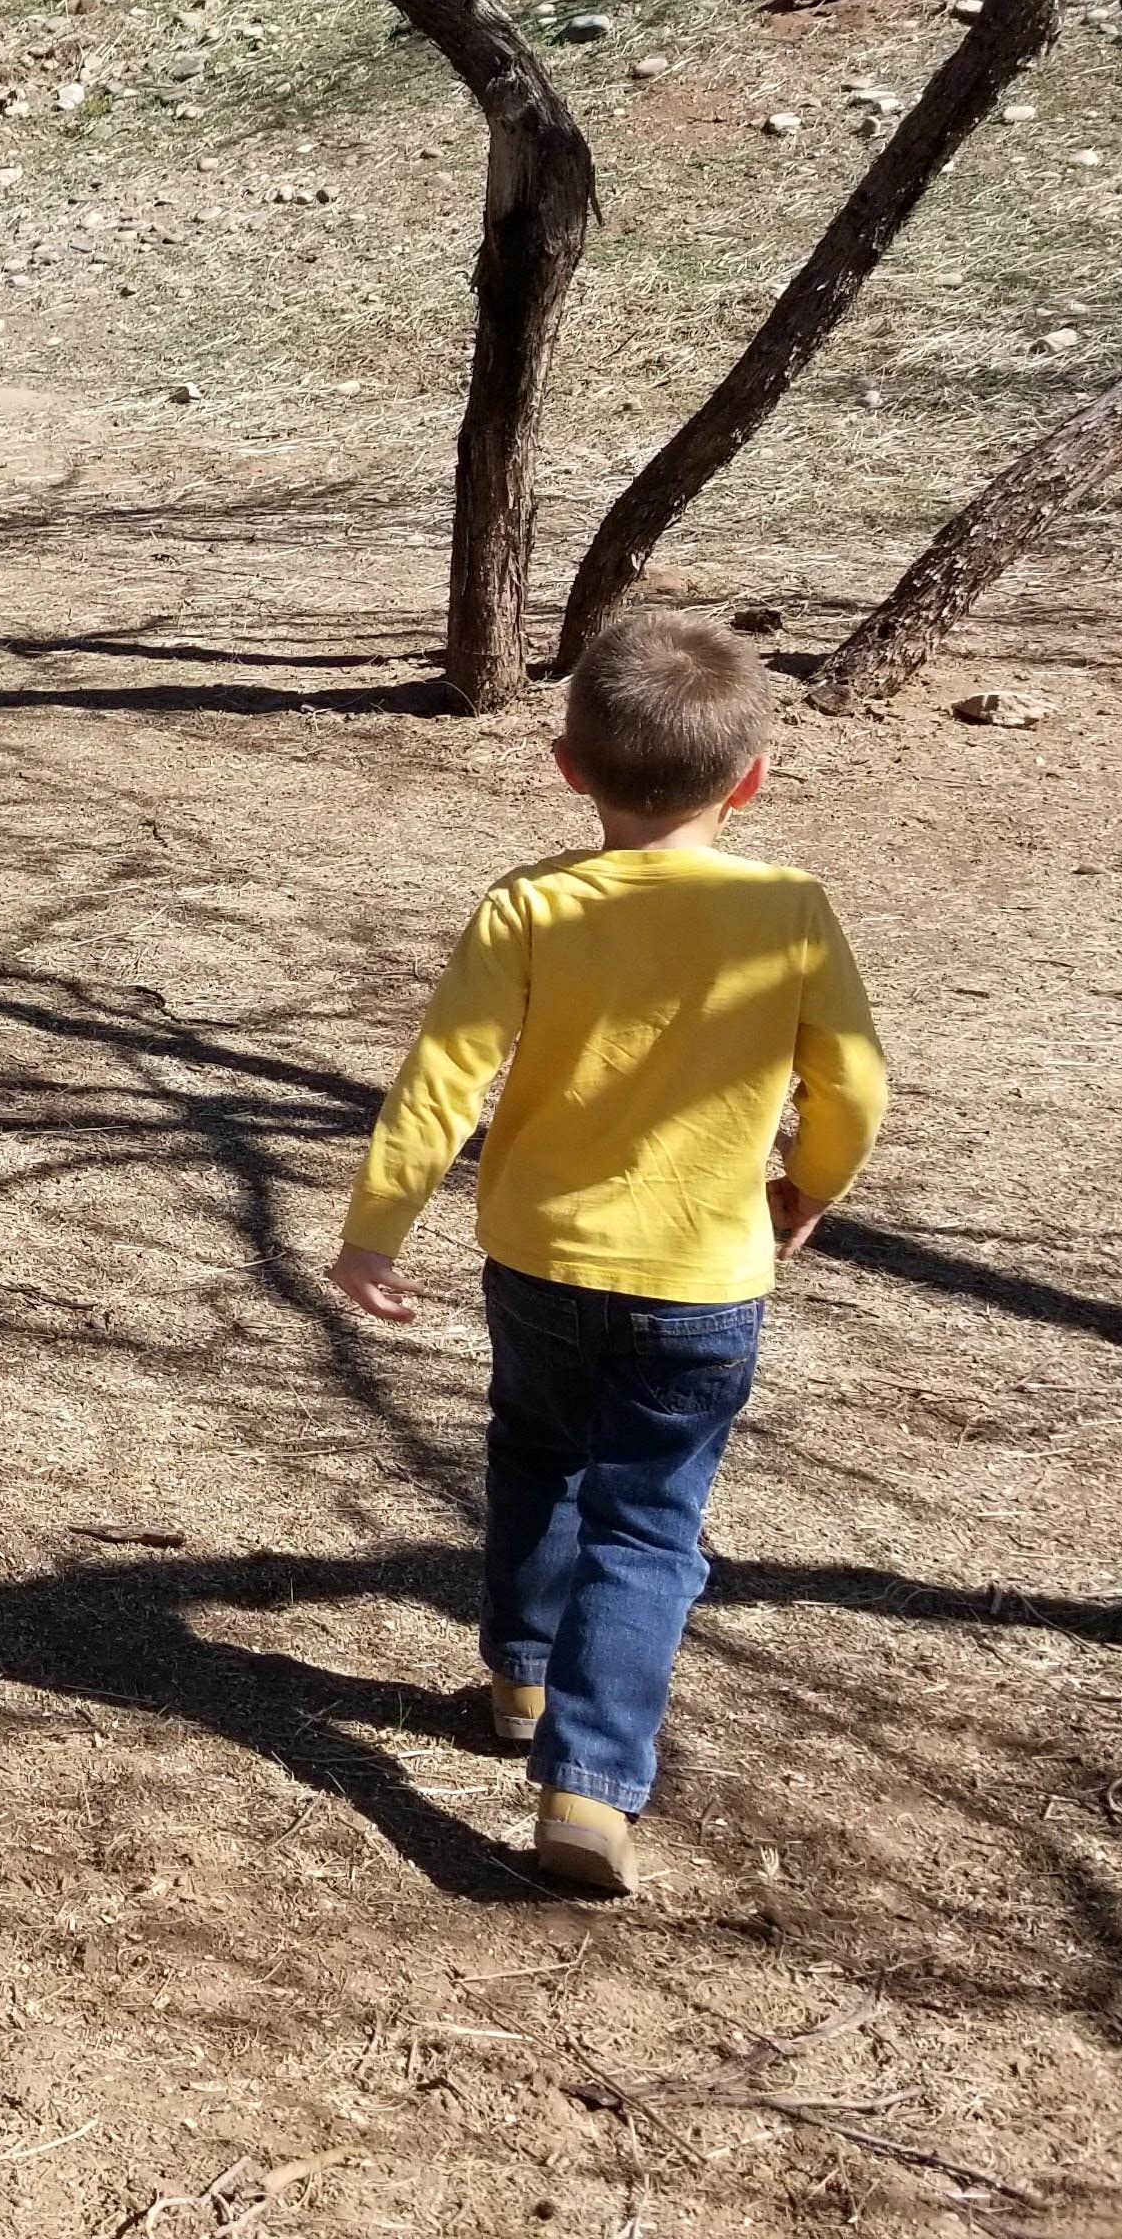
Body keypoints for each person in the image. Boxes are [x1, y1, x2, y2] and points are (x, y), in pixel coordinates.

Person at [329, 608, 887, 1898]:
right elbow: (852, 1085)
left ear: (569, 766)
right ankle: (589, 1784)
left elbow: (441, 1082)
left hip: (538, 1262)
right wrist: (806, 1187)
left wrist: (375, 1232)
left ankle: (520, 1677)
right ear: (750, 780)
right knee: (650, 1523)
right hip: (700, 1285)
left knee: (535, 1457)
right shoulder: (791, 915)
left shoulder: (531, 905)